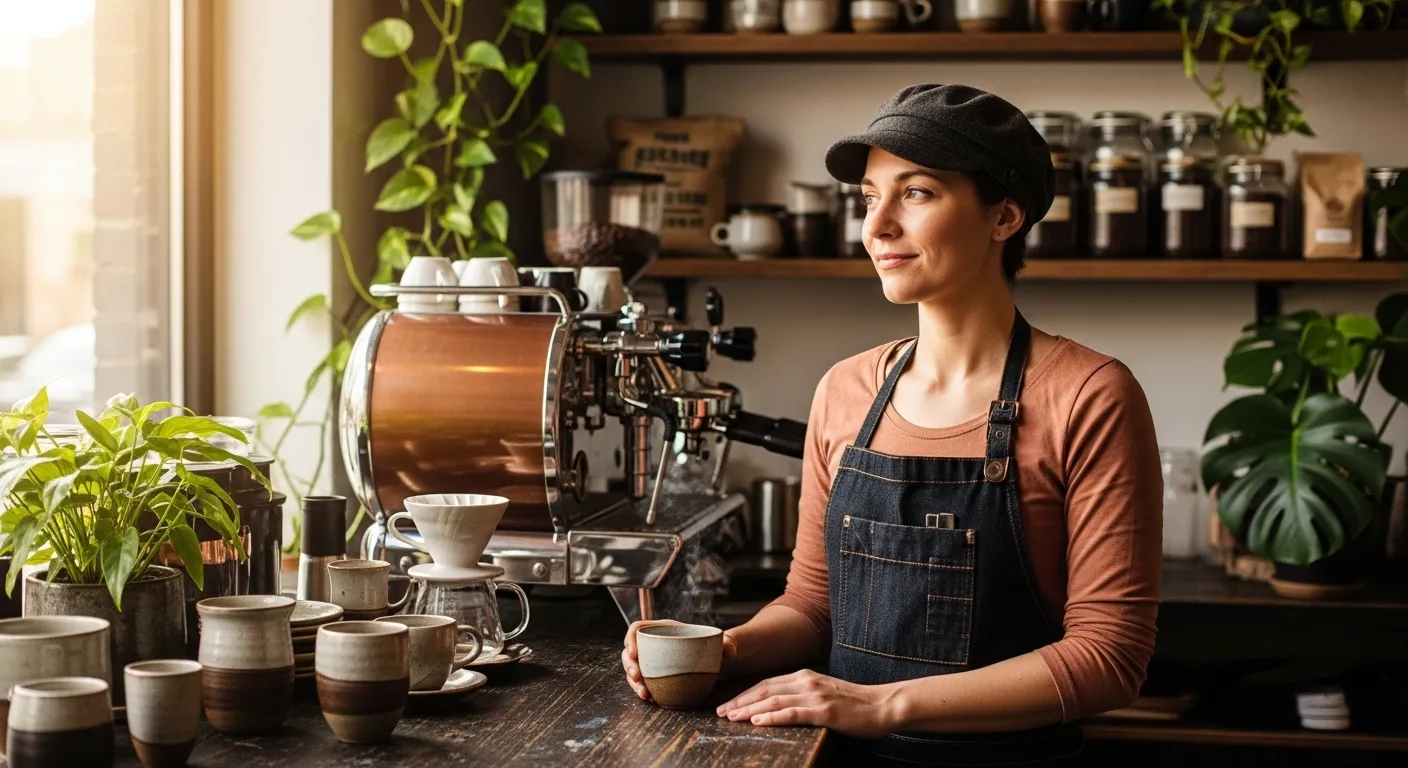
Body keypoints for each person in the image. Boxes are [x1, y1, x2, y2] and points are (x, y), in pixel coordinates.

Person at [621, 84, 1163, 766]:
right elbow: (813, 608)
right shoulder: (846, 390)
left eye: (917, 193)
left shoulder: (1090, 397)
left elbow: (1110, 658)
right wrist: (727, 649)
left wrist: (883, 705)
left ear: (1005, 215)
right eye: (870, 197)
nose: (876, 227)